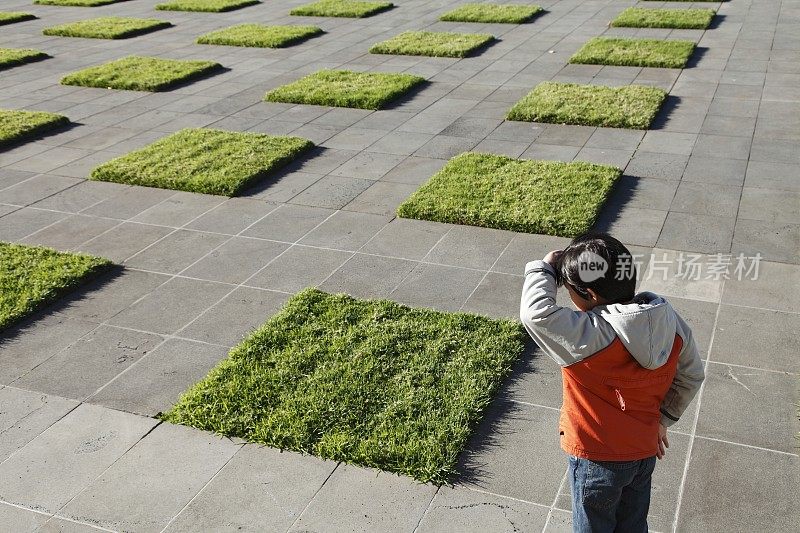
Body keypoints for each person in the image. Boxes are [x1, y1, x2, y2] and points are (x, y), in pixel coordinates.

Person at [519, 232, 704, 533]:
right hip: (644, 451)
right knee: (632, 525)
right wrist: (664, 418)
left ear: (590, 295)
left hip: (596, 460)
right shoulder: (671, 322)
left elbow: (536, 314)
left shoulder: (587, 336)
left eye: (570, 291)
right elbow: (692, 375)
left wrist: (544, 269)